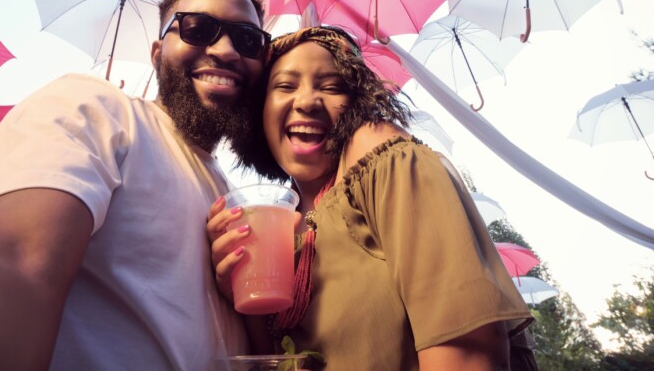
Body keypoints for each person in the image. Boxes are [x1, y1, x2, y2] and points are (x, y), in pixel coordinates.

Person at [0, 0, 272, 370]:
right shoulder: (99, 109)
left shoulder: (231, 194)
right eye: (198, 29)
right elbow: (12, 259)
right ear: (156, 54)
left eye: (247, 39)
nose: (226, 50)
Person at [208, 26, 535, 370]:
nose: (306, 102)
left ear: (358, 105)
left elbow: (468, 353)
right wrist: (242, 295)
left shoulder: (384, 160)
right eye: (285, 86)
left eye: (332, 87)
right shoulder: (282, 228)